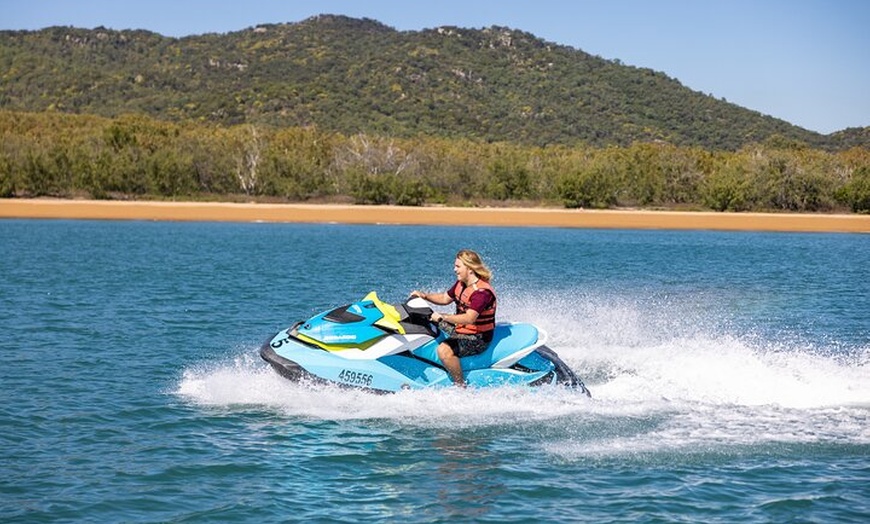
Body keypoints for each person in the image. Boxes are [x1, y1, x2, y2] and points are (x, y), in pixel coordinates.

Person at [411, 249, 497, 387]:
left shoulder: (481, 293)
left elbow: (470, 318)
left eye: (458, 266)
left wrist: (443, 317)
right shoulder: (461, 284)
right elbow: (445, 298)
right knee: (424, 319)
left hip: (478, 338)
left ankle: (460, 385)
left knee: (443, 351)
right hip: (461, 330)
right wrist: (424, 296)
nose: (454, 269)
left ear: (469, 268)